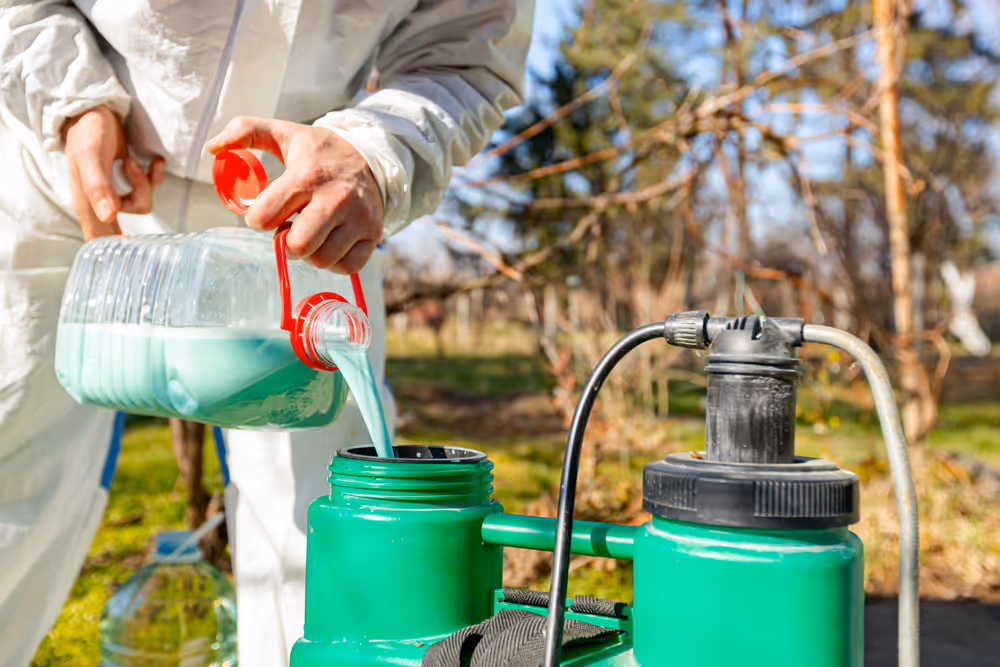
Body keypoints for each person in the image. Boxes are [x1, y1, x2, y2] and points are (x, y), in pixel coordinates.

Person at [0, 1, 533, 665]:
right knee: (10, 464)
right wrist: (72, 101)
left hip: (305, 199)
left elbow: (468, 49)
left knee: (329, 525)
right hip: (67, 164)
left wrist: (375, 150)